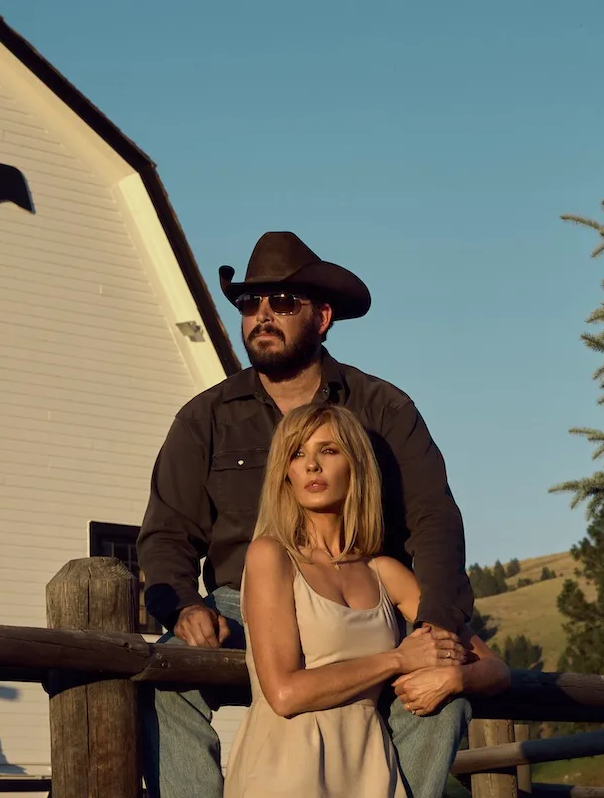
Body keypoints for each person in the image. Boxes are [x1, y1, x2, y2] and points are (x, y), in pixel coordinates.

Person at [137, 230, 477, 798]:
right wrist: (184, 604)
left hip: (362, 596)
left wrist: (435, 622)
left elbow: (435, 519)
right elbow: (167, 531)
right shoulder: (205, 418)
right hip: (241, 601)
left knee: (444, 694)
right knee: (166, 680)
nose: (261, 316)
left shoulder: (383, 409)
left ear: (321, 317)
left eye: (282, 303)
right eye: (250, 304)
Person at [223, 403, 511, 797]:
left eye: (328, 450)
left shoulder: (384, 572)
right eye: (297, 453)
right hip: (286, 769)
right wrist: (398, 659)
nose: (311, 466)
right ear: (284, 473)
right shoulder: (271, 556)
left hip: (372, 772)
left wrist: (455, 677)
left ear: (354, 465)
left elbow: (497, 669)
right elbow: (285, 694)